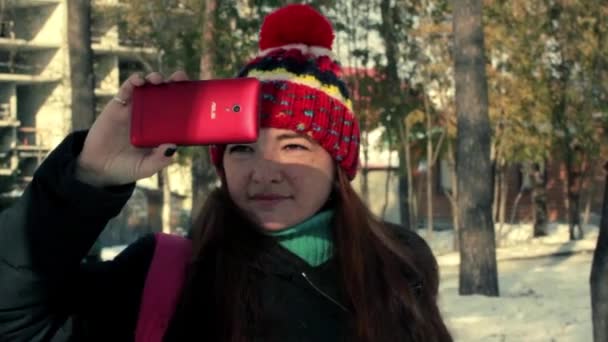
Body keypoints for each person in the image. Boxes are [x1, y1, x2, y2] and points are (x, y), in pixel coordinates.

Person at [0, 4, 452, 342]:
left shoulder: (398, 269)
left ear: (340, 164)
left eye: (293, 145)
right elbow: (16, 321)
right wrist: (87, 178)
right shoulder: (165, 275)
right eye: (242, 149)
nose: (264, 173)